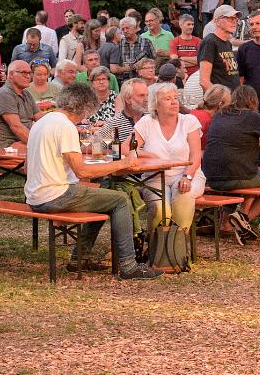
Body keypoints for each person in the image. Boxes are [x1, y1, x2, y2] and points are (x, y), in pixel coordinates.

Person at [25, 82, 159, 279]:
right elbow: (82, 172)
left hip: (36, 195)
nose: (87, 116)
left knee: (102, 198)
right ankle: (129, 266)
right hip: (55, 195)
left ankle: (79, 258)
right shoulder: (65, 126)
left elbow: (30, 166)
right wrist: (122, 164)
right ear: (84, 107)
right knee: (120, 199)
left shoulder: (42, 122)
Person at [202, 83, 260, 239]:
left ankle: (229, 222)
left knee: (253, 176)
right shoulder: (251, 116)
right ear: (253, 101)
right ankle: (243, 217)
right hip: (238, 176)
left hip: (212, 177)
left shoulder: (220, 114)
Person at [133, 81, 205, 236]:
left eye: (175, 98)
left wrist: (187, 176)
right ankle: (155, 248)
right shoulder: (146, 122)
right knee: (161, 210)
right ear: (155, 104)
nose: (174, 102)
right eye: (167, 99)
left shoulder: (189, 121)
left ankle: (175, 249)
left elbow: (196, 155)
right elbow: (127, 149)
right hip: (155, 178)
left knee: (183, 195)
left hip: (188, 174)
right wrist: (150, 155)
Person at [0, 60, 36, 151]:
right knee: (43, 151)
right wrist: (38, 143)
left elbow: (40, 117)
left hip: (19, 142)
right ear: (11, 75)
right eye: (23, 73)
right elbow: (17, 128)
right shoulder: (4, 94)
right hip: (2, 146)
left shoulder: (26, 93)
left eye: (29, 73)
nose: (28, 76)